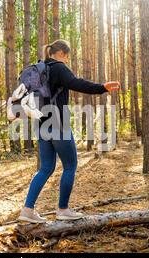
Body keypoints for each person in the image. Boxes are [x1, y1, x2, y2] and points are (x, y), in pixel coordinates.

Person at [17, 40, 120, 223]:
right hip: (58, 121)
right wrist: (102, 87)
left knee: (46, 168)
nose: (67, 60)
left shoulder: (40, 69)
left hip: (41, 122)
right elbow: (77, 83)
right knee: (70, 166)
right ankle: (63, 209)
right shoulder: (59, 67)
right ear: (63, 54)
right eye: (67, 56)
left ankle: (27, 210)